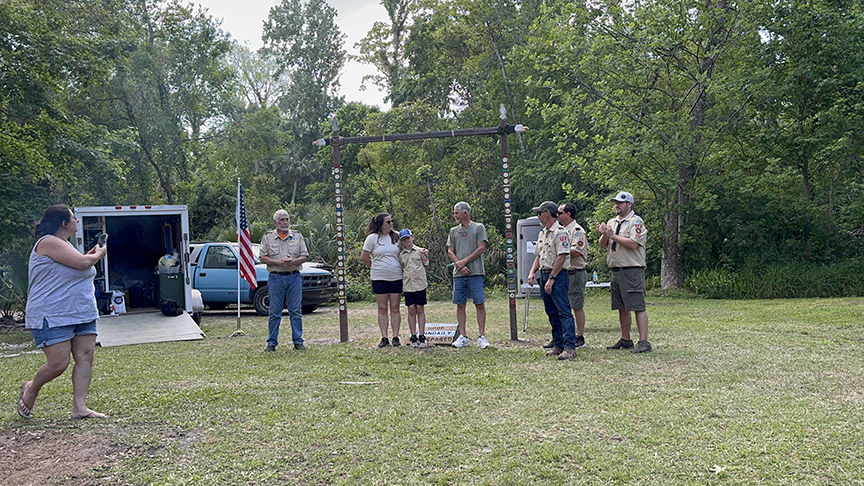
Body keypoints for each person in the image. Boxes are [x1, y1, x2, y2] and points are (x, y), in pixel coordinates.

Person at [18, 204, 108, 420]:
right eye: (73, 218)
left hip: (81, 311)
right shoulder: (48, 242)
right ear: (63, 223)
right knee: (58, 363)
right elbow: (83, 263)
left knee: (85, 356)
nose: (77, 221)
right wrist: (98, 255)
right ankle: (31, 387)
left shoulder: (65, 245)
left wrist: (86, 258)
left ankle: (80, 408)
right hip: (52, 313)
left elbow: (76, 265)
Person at [596, 191, 652, 353]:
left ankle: (644, 342)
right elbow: (602, 245)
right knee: (622, 307)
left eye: (620, 202)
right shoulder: (612, 222)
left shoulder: (636, 222)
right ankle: (626, 339)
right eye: (615, 202)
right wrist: (605, 234)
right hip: (616, 270)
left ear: (629, 204)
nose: (617, 205)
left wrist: (612, 235)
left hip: (632, 269)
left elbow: (633, 244)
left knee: (638, 306)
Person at [527, 201, 578, 360]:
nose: (538, 217)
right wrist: (532, 272)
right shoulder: (543, 233)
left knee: (563, 311)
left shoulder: (560, 233)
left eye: (539, 213)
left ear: (547, 214)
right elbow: (539, 255)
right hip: (544, 273)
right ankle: (558, 344)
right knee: (551, 311)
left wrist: (552, 278)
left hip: (557, 275)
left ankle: (569, 347)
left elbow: (562, 256)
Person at [260, 210, 308, 351]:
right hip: (276, 277)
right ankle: (272, 343)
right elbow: (262, 257)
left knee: (295, 311)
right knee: (274, 312)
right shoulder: (268, 237)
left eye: (286, 219)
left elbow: (304, 255)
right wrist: (279, 261)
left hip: (294, 276)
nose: (285, 222)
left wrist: (294, 261)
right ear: (275, 222)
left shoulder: (297, 236)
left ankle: (298, 341)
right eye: (281, 220)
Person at [447, 202, 490, 349]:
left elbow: (481, 248)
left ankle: (481, 336)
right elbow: (450, 251)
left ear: (465, 213)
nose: (455, 215)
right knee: (460, 304)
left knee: (479, 303)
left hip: (475, 272)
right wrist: (459, 264)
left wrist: (464, 261)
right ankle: (463, 336)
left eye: (457, 212)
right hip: (459, 274)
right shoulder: (453, 231)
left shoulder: (478, 227)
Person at [362, 213, 402, 348]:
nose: (391, 224)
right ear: (380, 225)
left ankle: (396, 336)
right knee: (382, 308)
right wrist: (375, 267)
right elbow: (364, 256)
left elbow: (409, 247)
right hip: (379, 277)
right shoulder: (372, 238)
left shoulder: (397, 236)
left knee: (395, 307)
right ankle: (384, 337)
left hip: (396, 276)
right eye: (387, 222)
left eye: (391, 221)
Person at [557, 202, 589, 349]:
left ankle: (579, 336)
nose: (557, 215)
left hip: (575, 272)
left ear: (568, 214)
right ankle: (564, 335)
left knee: (576, 305)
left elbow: (577, 250)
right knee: (563, 306)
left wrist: (559, 250)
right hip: (564, 272)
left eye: (560, 213)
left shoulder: (577, 230)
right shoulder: (561, 230)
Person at [397, 229, 429, 348]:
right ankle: (413, 335)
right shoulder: (401, 255)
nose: (407, 241)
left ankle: (422, 335)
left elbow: (426, 266)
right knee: (411, 309)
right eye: (404, 240)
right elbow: (401, 268)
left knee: (420, 308)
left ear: (412, 237)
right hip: (408, 285)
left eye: (408, 238)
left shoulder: (421, 251)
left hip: (420, 284)